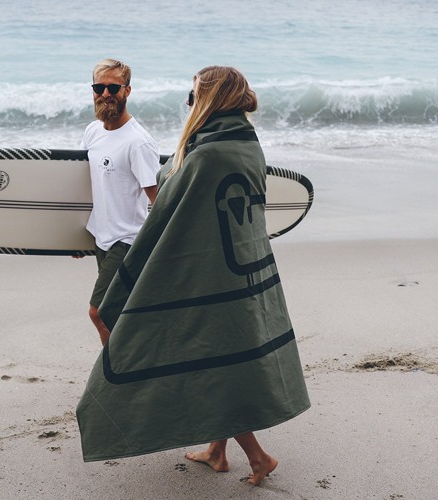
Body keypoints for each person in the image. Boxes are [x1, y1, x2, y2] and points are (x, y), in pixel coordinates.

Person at [76, 66, 310, 487]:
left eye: (192, 96)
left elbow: (167, 213)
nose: (188, 103)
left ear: (208, 101)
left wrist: (133, 273)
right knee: (220, 360)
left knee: (205, 359)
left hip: (205, 277)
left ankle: (259, 457)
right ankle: (219, 452)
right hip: (243, 271)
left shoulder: (204, 156)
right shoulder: (246, 145)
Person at [79, 58, 159, 346]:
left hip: (127, 240)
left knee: (99, 311)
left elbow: (158, 200)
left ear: (127, 90)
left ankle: (113, 368)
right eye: (98, 88)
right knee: (118, 313)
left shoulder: (138, 142)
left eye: (113, 88)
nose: (105, 94)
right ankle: (135, 361)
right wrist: (74, 234)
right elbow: (85, 186)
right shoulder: (92, 132)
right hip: (101, 237)